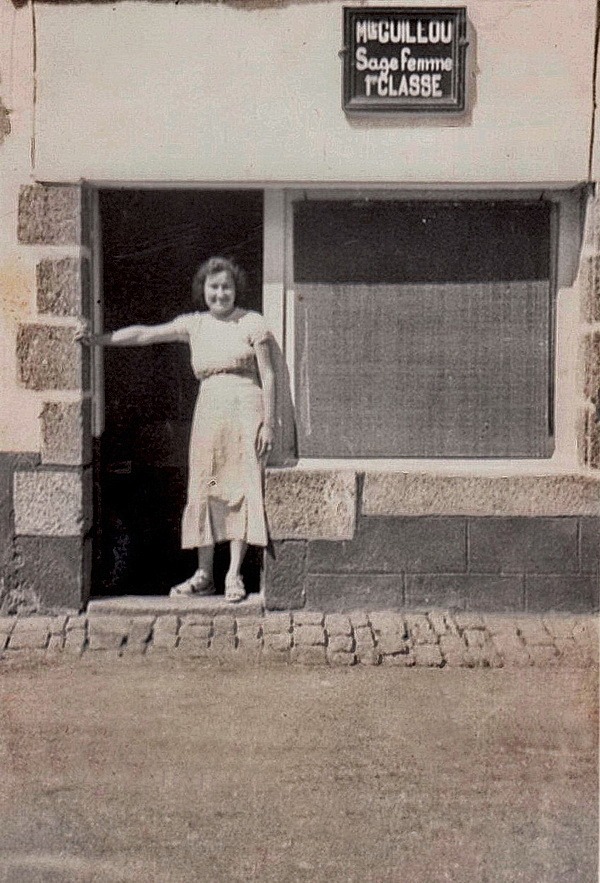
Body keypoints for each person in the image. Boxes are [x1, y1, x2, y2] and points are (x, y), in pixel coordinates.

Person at [78, 256, 275, 603]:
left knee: (242, 487)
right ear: (203, 290)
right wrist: (99, 339)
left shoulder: (252, 323)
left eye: (226, 286)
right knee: (206, 485)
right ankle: (203, 575)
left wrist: (269, 423)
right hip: (210, 410)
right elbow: (144, 334)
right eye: (213, 287)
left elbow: (268, 375)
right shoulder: (194, 325)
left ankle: (233, 575)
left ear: (235, 289)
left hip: (246, 410)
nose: (220, 293)